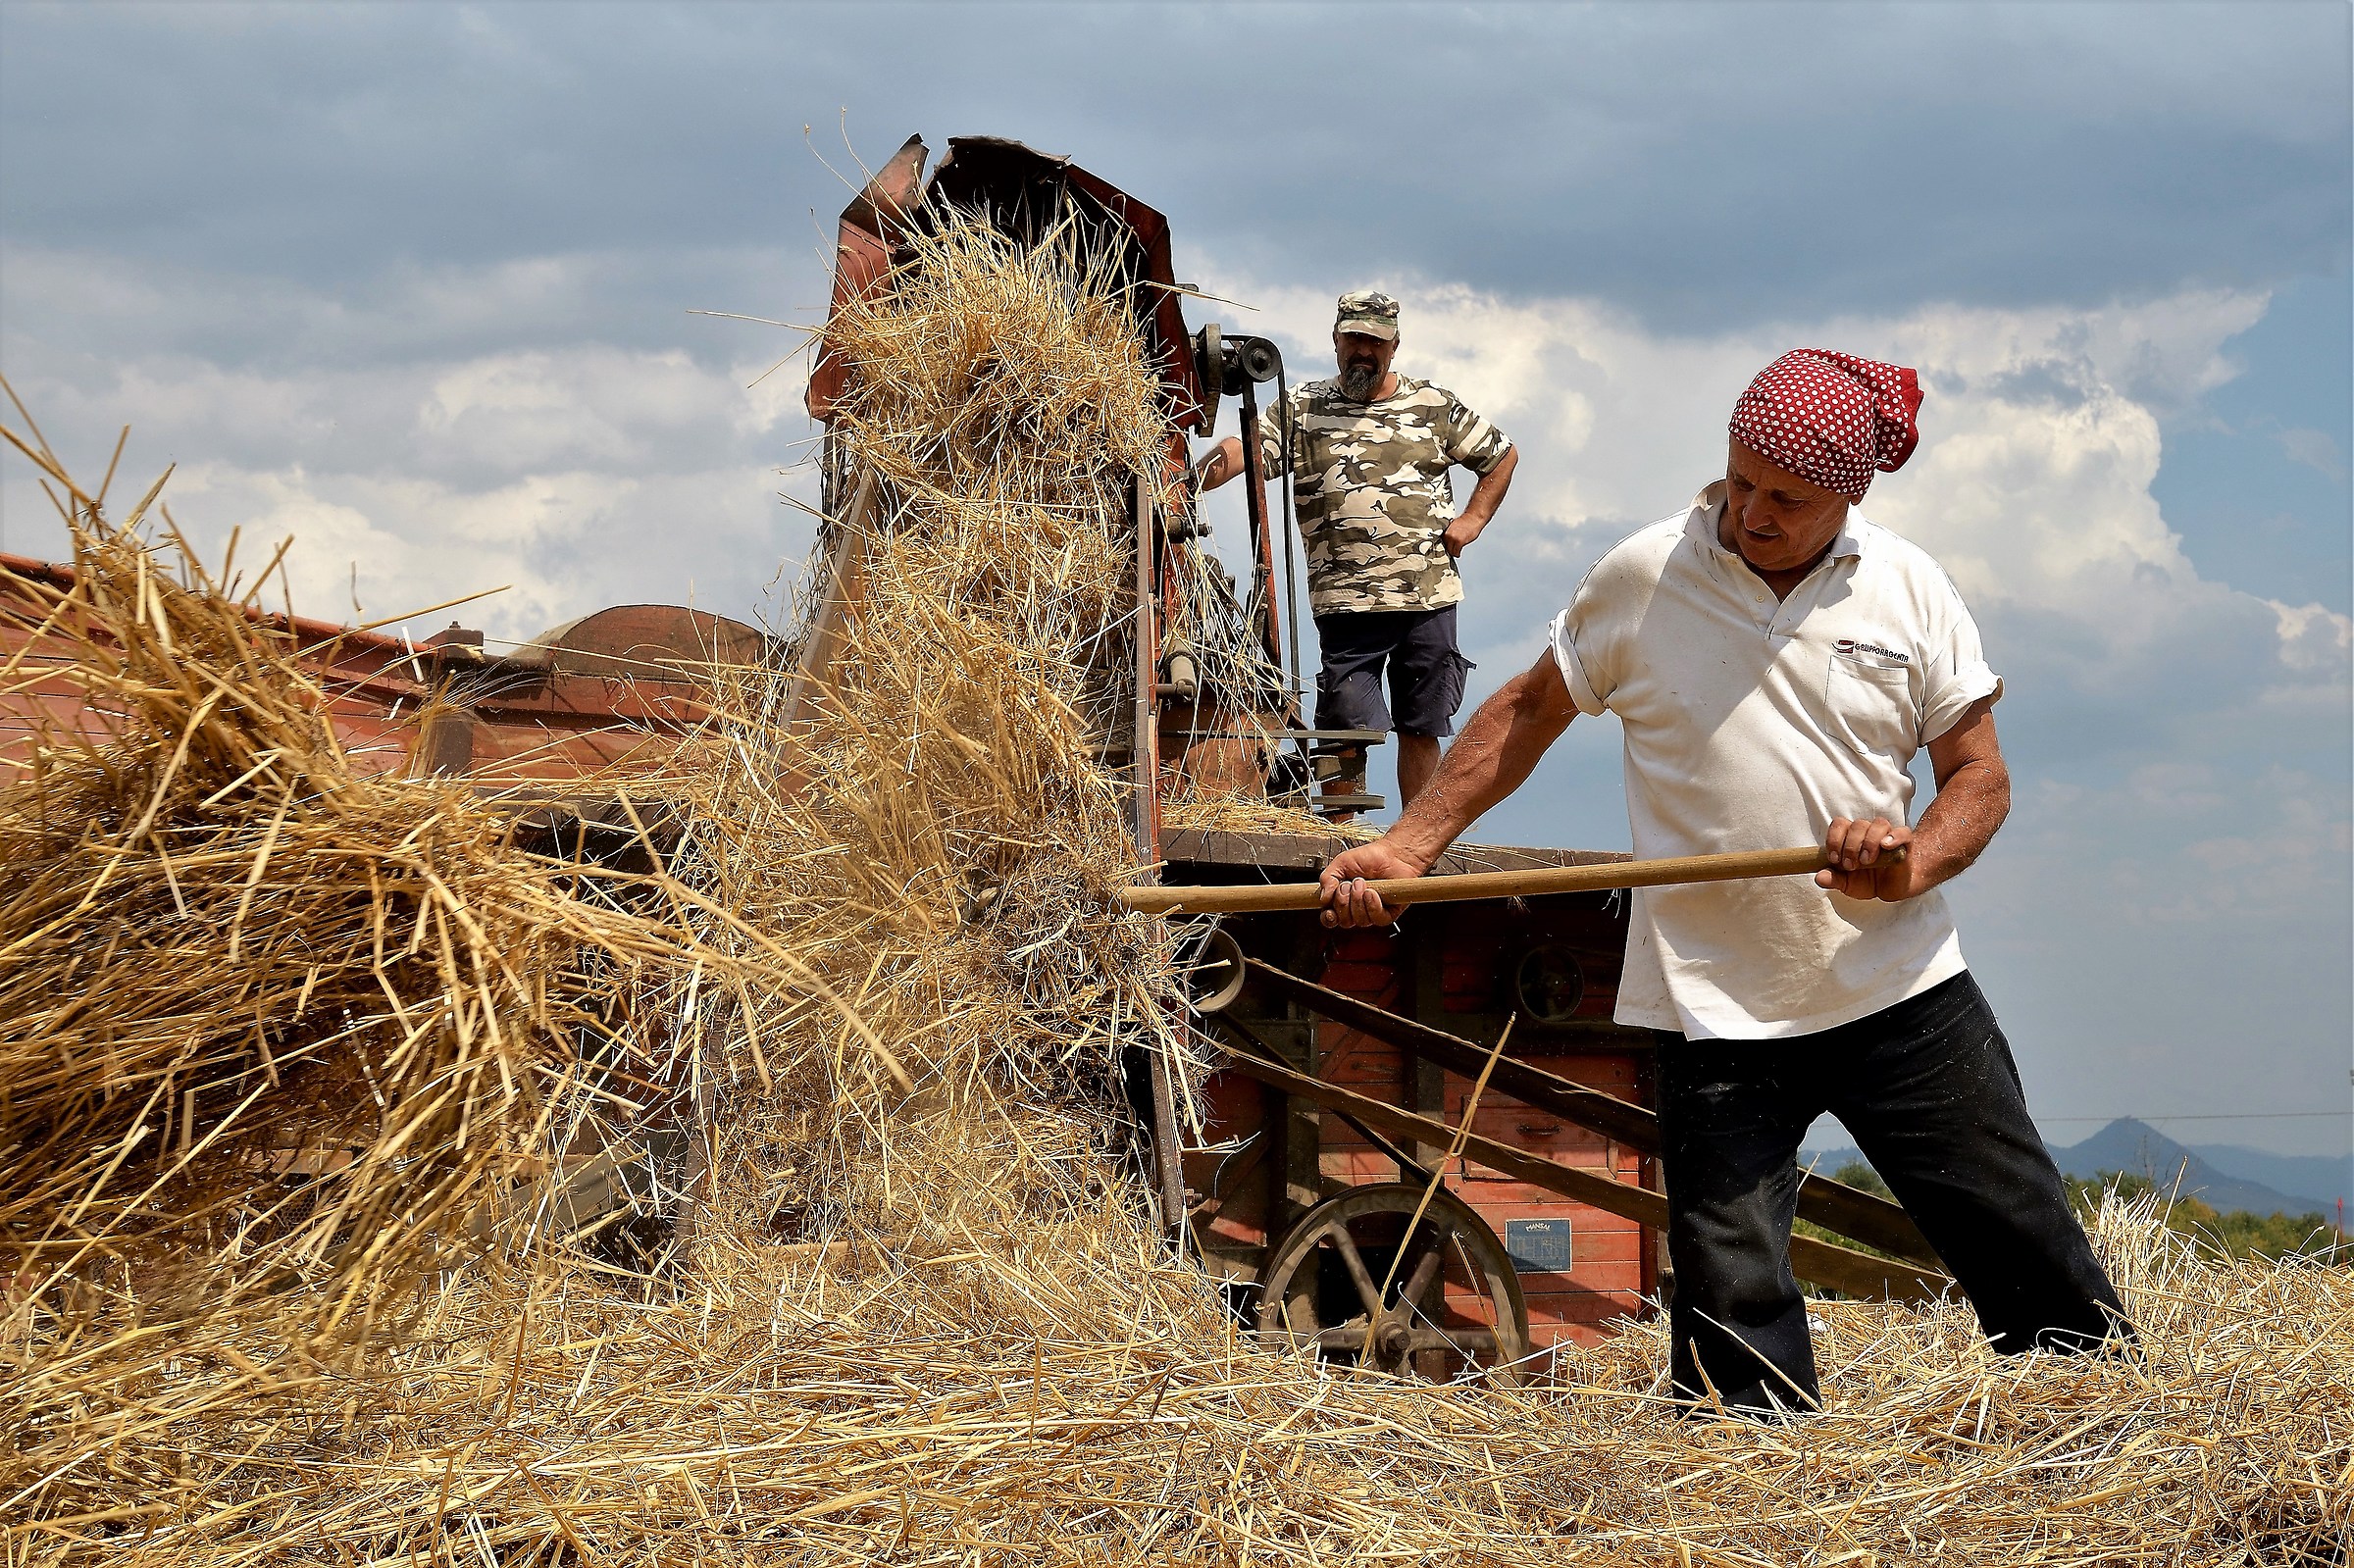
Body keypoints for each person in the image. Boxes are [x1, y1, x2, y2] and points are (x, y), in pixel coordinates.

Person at [1315, 349, 2130, 1416]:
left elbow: (1978, 777)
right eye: (1739, 481)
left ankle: (2097, 1429)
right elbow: (1528, 712)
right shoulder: (1645, 576)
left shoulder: (1910, 589)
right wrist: (1412, 846)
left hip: (1901, 988)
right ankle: (1761, 1479)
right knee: (1730, 1312)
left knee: (2026, 1243)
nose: (1752, 511)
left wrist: (1913, 863)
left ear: (1852, 493)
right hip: (1713, 1006)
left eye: (1786, 498)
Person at [1196, 291, 1516, 815]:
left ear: (1393, 346)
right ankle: (1342, 839)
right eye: (1354, 339)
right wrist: (1187, 479)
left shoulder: (1432, 405)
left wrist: (1472, 521)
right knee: (1345, 724)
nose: (1362, 351)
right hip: (1346, 603)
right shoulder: (1302, 408)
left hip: (1427, 596)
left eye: (1374, 341)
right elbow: (1247, 450)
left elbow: (1501, 456)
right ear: (1336, 340)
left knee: (1422, 725)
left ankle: (1416, 843)